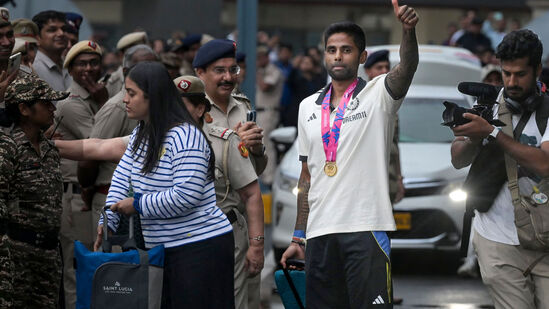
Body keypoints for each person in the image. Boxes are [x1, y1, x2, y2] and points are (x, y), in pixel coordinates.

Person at [280, 0, 419, 306]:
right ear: (324, 55)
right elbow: (307, 177)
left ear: (362, 56)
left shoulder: (379, 93)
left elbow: (406, 68)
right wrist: (297, 236)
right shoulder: (307, 107)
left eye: (346, 49)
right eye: (332, 49)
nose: (338, 55)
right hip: (319, 232)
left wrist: (407, 31)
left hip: (366, 228)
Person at [96, 61, 234, 308]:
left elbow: (185, 196)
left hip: (199, 249)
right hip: (162, 249)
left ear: (153, 97)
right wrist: (108, 220)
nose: (124, 100)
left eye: (132, 93)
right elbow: (121, 176)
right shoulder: (143, 132)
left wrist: (137, 204)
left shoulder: (185, 135)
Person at [450, 29, 549, 309]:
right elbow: (458, 158)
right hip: (495, 239)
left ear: (538, 69)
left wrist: (493, 134)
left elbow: (545, 163)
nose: (511, 82)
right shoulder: (488, 106)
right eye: (506, 73)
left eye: (520, 74)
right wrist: (474, 137)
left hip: (545, 239)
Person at [175, 75, 265, 308]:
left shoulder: (223, 141)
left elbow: (251, 194)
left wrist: (256, 245)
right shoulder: (159, 140)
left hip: (226, 236)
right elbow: (106, 147)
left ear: (199, 109)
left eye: (182, 107)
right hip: (180, 238)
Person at [77, 44, 155, 251]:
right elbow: (90, 156)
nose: (150, 74)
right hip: (113, 200)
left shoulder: (154, 106)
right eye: (142, 68)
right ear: (126, 72)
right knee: (113, 270)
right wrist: (87, 190)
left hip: (141, 202)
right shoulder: (117, 107)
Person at [1, 73, 69, 308]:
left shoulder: (50, 149)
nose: (52, 109)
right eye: (45, 103)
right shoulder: (8, 148)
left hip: (49, 254)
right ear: (24, 109)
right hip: (17, 256)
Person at [55, 40, 106, 308]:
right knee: (77, 268)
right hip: (76, 199)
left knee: (94, 266)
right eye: (81, 64)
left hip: (89, 195)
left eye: (93, 62)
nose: (88, 69)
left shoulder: (94, 98)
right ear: (71, 70)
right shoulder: (72, 103)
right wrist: (104, 102)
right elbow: (101, 143)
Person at [193, 39, 268, 179]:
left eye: (233, 70)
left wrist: (256, 150)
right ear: (200, 72)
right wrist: (236, 145)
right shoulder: (191, 110)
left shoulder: (243, 106)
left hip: (242, 199)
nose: (228, 77)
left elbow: (256, 171)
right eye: (219, 70)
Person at [364, 49, 405, 204]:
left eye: (387, 67)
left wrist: (400, 178)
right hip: (365, 178)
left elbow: (394, 145)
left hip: (388, 178)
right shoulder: (359, 98)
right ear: (368, 71)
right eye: (379, 68)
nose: (384, 71)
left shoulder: (391, 102)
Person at [256, 45, 284, 187]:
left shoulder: (274, 71)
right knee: (258, 143)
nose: (259, 60)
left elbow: (265, 86)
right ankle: (262, 176)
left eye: (261, 57)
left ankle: (269, 179)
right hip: (258, 111)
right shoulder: (261, 71)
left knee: (266, 143)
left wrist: (258, 72)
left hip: (269, 111)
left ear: (267, 57)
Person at [32, 10, 70, 91]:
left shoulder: (70, 64)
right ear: (37, 38)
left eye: (64, 29)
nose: (61, 33)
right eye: (52, 30)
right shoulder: (33, 67)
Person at [106, 31, 148, 97]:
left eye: (144, 51)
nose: (139, 55)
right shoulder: (111, 82)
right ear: (121, 55)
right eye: (134, 52)